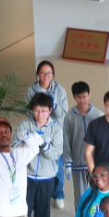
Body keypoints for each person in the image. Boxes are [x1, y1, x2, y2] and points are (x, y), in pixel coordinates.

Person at [14, 92, 64, 217]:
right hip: (26, 175)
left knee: (43, 209)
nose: (39, 114)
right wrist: (26, 141)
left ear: (50, 110)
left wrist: (43, 146)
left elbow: (56, 153)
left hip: (46, 177)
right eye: (36, 110)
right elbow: (14, 146)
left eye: (43, 111)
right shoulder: (25, 124)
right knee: (24, 208)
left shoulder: (56, 128)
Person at [24, 60, 69, 208]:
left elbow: (63, 113)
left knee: (57, 165)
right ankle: (35, 193)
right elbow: (27, 112)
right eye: (42, 73)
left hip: (54, 132)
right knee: (36, 161)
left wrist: (54, 106)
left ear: (53, 74)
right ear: (38, 74)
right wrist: (40, 117)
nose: (45, 76)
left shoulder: (59, 90)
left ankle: (58, 194)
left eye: (49, 73)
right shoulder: (31, 90)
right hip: (36, 130)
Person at [63, 81, 104, 208]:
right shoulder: (69, 117)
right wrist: (68, 162)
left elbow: (103, 140)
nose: (82, 100)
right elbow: (66, 140)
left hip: (96, 164)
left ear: (89, 95)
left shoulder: (98, 115)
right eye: (79, 97)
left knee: (98, 193)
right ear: (74, 97)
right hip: (78, 163)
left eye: (84, 96)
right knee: (80, 197)